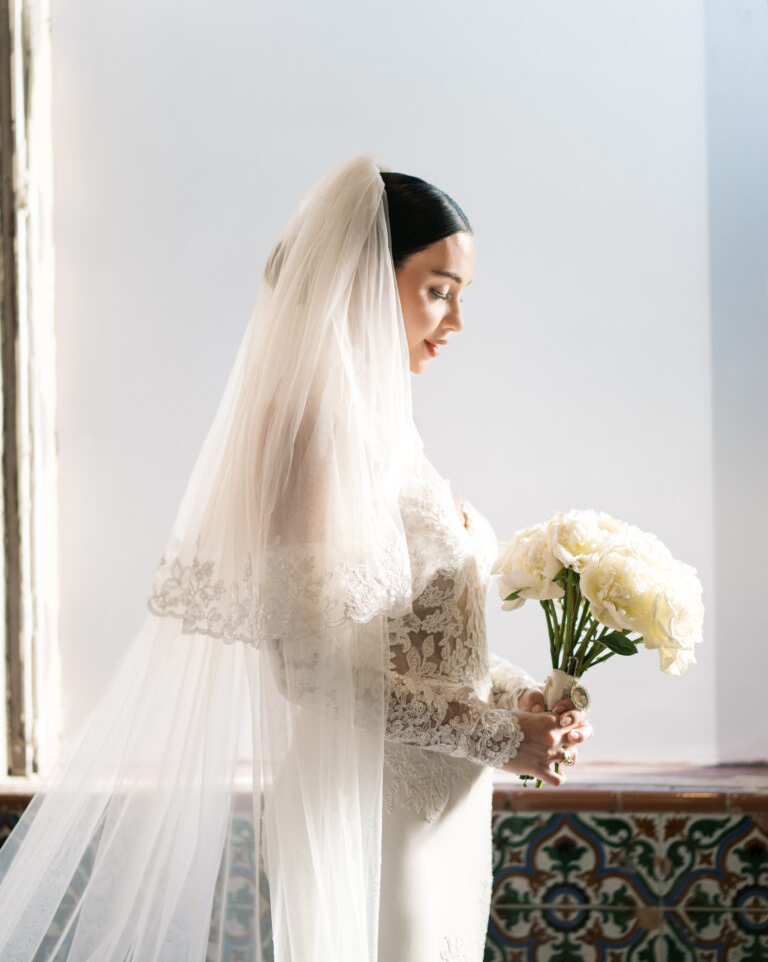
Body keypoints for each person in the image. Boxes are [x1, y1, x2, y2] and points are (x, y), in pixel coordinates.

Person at [0, 155, 592, 962]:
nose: (455, 322)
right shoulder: (314, 430)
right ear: (360, 277)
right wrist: (494, 736)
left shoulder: (394, 435)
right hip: (369, 807)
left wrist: (525, 700)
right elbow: (308, 667)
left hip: (442, 810)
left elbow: (421, 640)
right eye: (438, 289)